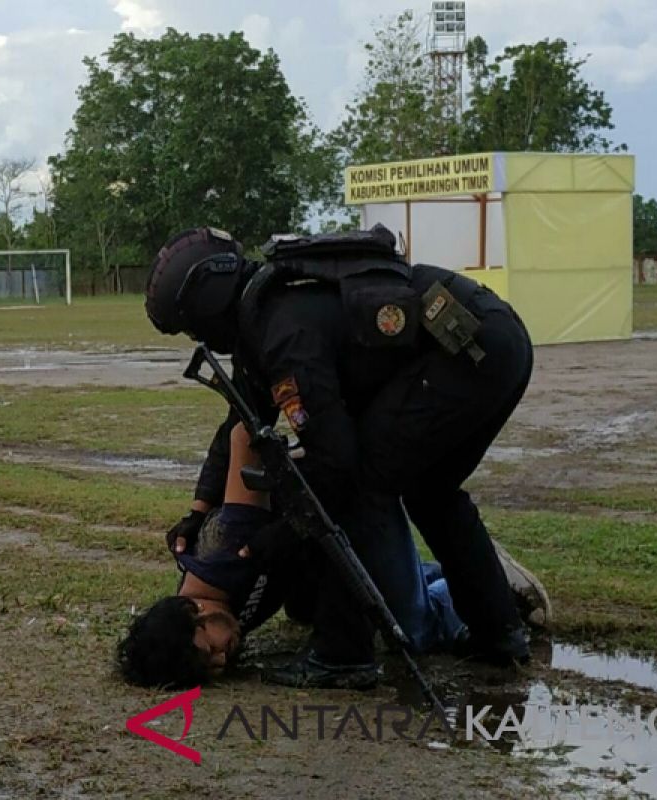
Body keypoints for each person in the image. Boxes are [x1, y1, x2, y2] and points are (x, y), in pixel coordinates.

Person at [144, 225, 543, 687]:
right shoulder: (268, 310)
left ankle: (343, 656)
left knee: (355, 485)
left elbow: (336, 462)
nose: (200, 337)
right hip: (489, 341)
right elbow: (242, 420)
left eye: (192, 325)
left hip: (469, 350)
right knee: (430, 491)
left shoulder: (282, 330)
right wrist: (198, 509)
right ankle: (498, 633)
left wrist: (285, 534)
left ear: (205, 304)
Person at [117, 422, 546, 689]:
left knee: (410, 632)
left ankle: (495, 591)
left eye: (207, 649)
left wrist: (288, 504)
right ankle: (462, 574)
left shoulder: (224, 551)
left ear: (193, 611)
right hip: (331, 541)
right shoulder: (219, 607)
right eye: (208, 667)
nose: (221, 659)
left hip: (353, 501)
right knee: (315, 610)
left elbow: (243, 432)